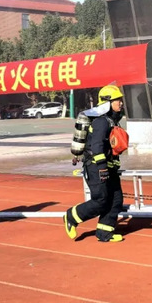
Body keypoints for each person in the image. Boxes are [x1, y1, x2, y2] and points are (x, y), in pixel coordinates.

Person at [63, 84, 126, 243]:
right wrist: (102, 168)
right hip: (96, 167)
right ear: (108, 102)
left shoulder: (112, 120)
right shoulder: (101, 122)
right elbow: (97, 146)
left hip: (109, 167)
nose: (121, 103)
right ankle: (72, 216)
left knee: (116, 200)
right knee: (100, 200)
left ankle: (104, 232)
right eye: (117, 100)